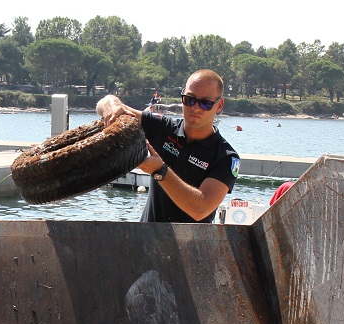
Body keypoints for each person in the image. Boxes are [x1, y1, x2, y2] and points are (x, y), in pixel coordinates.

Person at [97, 70, 239, 223]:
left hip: (191, 245)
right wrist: (112, 107)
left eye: (206, 103)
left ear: (219, 105)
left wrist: (159, 171)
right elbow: (107, 102)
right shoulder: (163, 128)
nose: (196, 108)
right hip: (145, 238)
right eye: (190, 100)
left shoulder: (226, 157)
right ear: (183, 95)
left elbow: (200, 210)